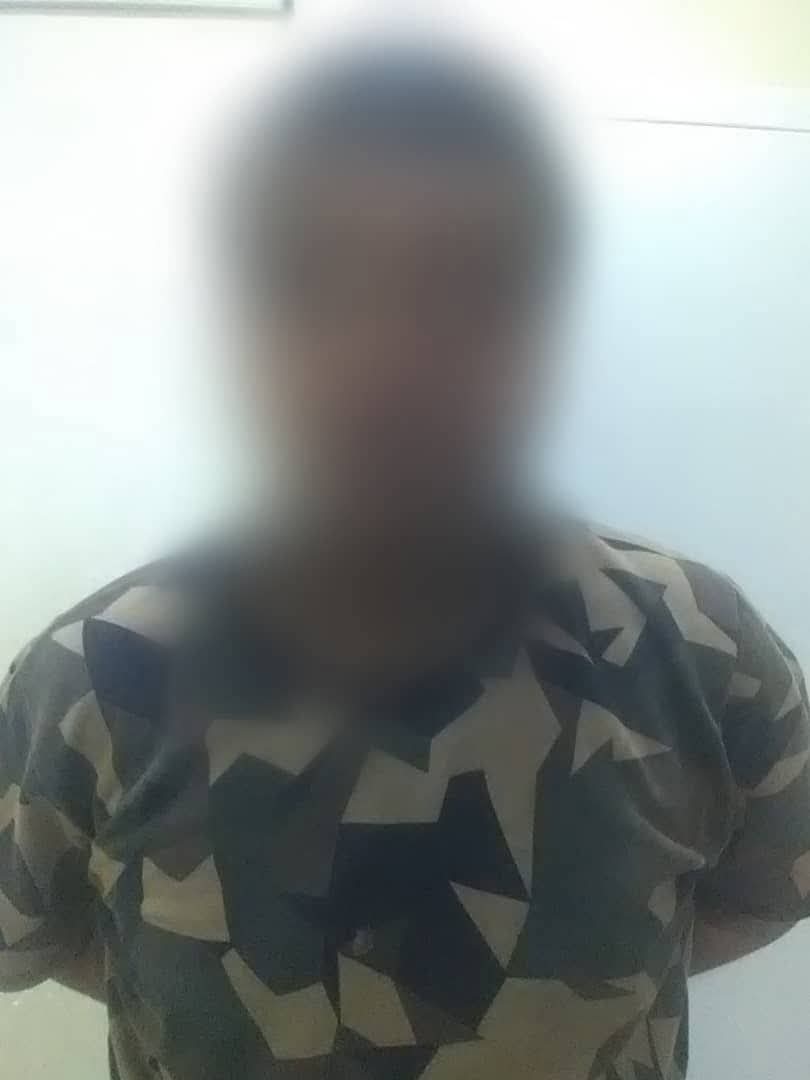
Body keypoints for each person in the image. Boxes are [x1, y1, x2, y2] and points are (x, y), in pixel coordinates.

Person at [1, 42, 808, 1080]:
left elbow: (761, 893)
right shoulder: (91, 675)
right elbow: (44, 938)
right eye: (313, 280)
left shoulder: (697, 646)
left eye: (464, 284)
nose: (384, 355)